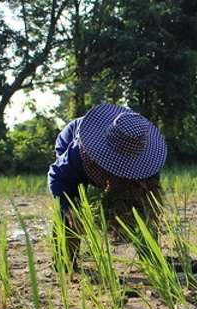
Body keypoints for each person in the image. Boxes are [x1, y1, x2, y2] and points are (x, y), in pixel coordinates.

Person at [48, 103, 168, 272]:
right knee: (67, 213)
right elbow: (58, 177)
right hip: (74, 145)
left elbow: (149, 201)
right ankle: (65, 262)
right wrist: (69, 210)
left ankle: (151, 260)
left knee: (143, 211)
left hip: (127, 154)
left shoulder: (148, 162)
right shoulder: (78, 152)